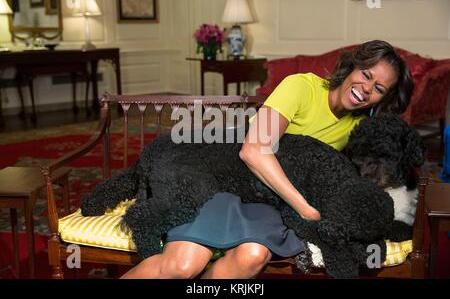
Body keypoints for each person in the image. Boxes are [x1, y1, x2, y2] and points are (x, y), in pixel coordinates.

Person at [120, 40, 414, 279]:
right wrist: (304, 208)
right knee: (181, 267)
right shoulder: (301, 87)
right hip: (230, 182)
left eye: (378, 89)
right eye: (366, 75)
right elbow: (253, 150)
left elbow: (374, 176)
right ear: (353, 66)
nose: (366, 89)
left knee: (252, 256)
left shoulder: (360, 128)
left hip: (274, 205)